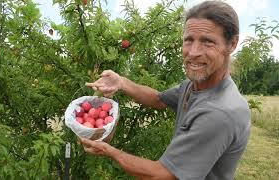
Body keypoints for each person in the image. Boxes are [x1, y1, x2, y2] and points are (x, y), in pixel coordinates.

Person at [81, 1, 251, 179]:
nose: (193, 52)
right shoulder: (195, 85)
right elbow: (158, 99)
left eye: (207, 42)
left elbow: (164, 175)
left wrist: (110, 152)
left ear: (231, 44)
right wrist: (121, 82)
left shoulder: (219, 113)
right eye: (189, 40)